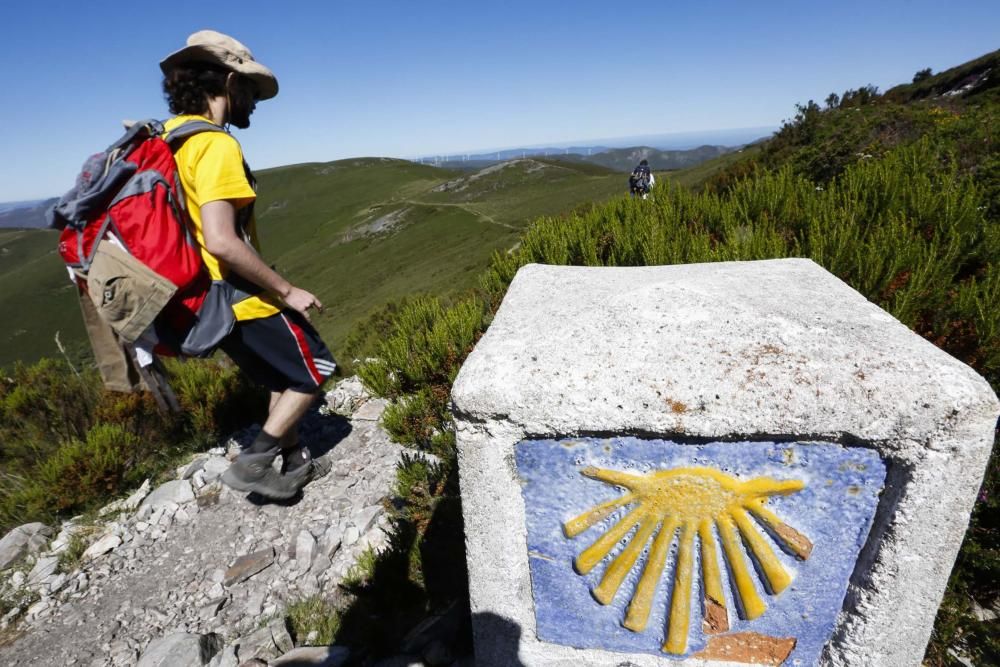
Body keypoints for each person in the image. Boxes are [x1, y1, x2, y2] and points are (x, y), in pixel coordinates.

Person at [159, 30, 335, 499]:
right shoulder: (215, 145)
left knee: (281, 375)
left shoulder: (170, 140)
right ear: (230, 81)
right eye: (251, 90)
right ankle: (253, 464)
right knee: (315, 372)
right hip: (238, 294)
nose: (255, 102)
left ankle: (294, 457)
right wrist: (285, 290)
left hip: (201, 300)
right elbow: (221, 239)